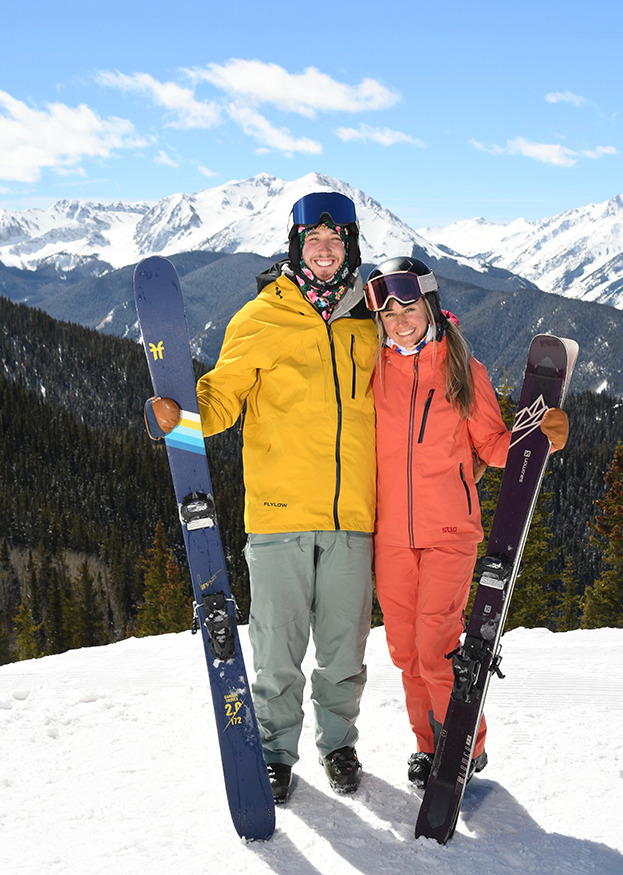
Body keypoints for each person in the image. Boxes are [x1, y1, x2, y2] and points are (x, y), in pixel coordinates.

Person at [145, 192, 378, 802]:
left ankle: (339, 744)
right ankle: (275, 753)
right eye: (313, 243)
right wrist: (180, 417)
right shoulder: (260, 316)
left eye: (335, 243)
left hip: (354, 513)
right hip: (277, 515)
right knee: (277, 648)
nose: (325, 252)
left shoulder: (371, 319)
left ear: (349, 248)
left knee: (342, 648)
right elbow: (221, 398)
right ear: (296, 247)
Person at [363, 256, 569, 789]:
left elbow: (494, 446)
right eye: (388, 313)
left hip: (449, 532)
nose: (399, 319)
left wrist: (542, 435)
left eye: (408, 306)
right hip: (390, 537)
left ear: (428, 305)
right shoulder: (374, 369)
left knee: (437, 648)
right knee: (405, 652)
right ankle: (427, 744)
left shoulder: (460, 369)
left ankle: (464, 743)